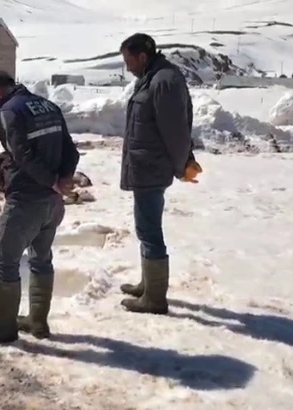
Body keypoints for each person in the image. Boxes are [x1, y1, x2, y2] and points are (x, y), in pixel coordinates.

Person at [0, 71, 80, 346]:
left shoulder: (9, 111)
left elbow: (22, 156)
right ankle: (38, 321)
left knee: (5, 260)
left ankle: (3, 328)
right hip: (53, 204)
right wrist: (62, 180)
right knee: (41, 257)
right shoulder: (48, 106)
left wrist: (52, 181)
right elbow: (71, 151)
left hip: (26, 200)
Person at [118, 33, 202, 314]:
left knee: (149, 230)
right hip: (146, 166)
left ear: (142, 57)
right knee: (146, 228)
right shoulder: (152, 77)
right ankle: (148, 284)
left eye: (128, 60)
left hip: (152, 168)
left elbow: (176, 130)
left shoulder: (163, 80)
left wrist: (182, 166)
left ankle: (154, 299)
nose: (127, 66)